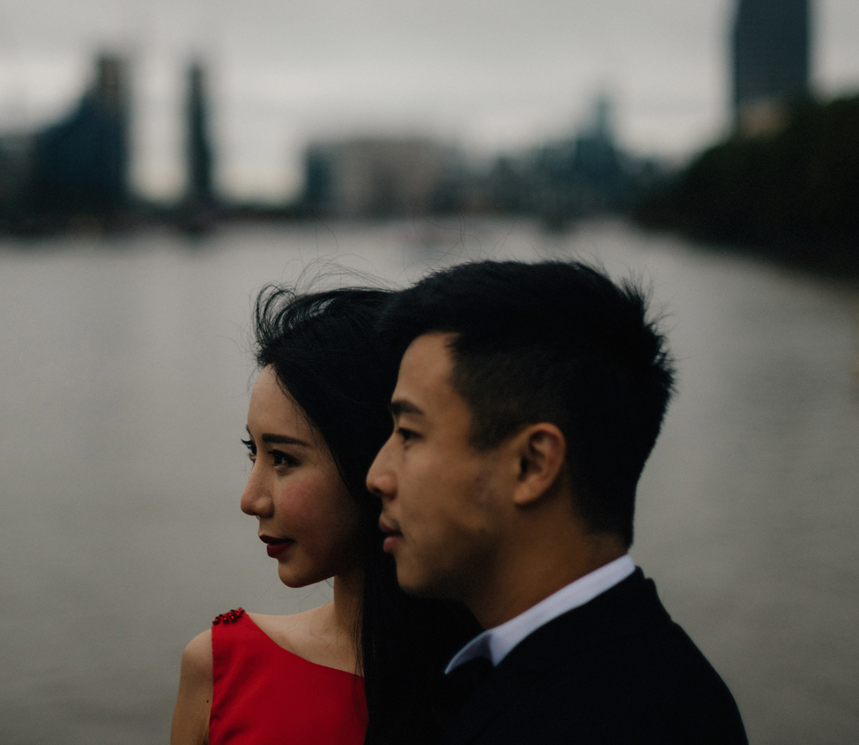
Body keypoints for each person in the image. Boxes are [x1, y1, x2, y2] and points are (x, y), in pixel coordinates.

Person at [367, 260, 748, 744]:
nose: (376, 476)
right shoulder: (651, 677)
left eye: (409, 433)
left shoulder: (605, 721)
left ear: (531, 464)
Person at [171, 286, 478, 745]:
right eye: (253, 452)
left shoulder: (504, 683)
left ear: (376, 459)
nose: (250, 499)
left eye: (283, 459)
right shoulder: (221, 667)